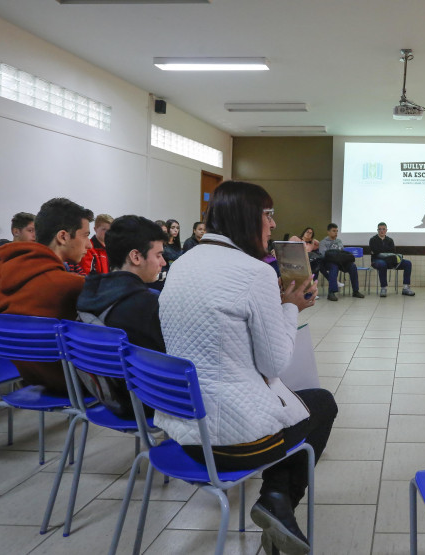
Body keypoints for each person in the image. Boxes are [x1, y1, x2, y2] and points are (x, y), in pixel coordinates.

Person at [158, 181, 335, 555]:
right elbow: (274, 364)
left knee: (298, 404)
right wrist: (292, 307)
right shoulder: (254, 273)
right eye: (267, 215)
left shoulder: (181, 264)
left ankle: (276, 501)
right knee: (322, 403)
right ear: (246, 217)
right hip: (229, 442)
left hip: (182, 430)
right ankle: (276, 498)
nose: (272, 225)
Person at [0, 198, 94, 394]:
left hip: (28, 376)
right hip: (71, 383)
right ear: (63, 236)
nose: (89, 245)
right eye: (86, 235)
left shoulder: (1, 271)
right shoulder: (71, 285)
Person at [76, 215, 166, 418]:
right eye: (158, 254)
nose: (163, 262)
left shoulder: (90, 293)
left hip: (106, 395)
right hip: (145, 403)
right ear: (136, 257)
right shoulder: (146, 305)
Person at [318, 223, 364, 302]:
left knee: (352, 266)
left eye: (337, 231)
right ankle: (331, 292)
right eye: (333, 231)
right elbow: (323, 255)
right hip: (329, 262)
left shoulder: (339, 241)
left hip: (340, 261)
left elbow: (342, 252)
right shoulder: (323, 242)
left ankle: (355, 291)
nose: (336, 233)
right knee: (334, 267)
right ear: (328, 232)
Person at [369, 222, 415, 297]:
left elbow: (392, 251)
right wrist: (384, 251)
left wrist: (381, 251)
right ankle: (383, 288)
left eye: (383, 229)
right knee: (382, 264)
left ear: (386, 230)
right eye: (380, 229)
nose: (382, 231)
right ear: (377, 230)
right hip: (376, 260)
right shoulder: (373, 240)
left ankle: (406, 288)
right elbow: (375, 252)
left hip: (390, 261)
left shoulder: (390, 240)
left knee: (408, 263)